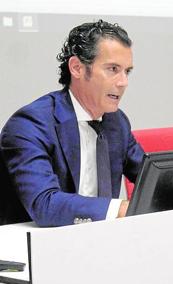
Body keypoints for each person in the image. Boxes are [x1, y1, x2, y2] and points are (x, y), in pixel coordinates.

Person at [0, 20, 144, 227]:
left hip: (99, 240)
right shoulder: (30, 124)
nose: (123, 82)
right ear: (77, 68)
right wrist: (120, 209)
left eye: (127, 71)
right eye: (113, 69)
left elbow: (150, 175)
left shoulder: (116, 122)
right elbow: (45, 204)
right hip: (33, 246)